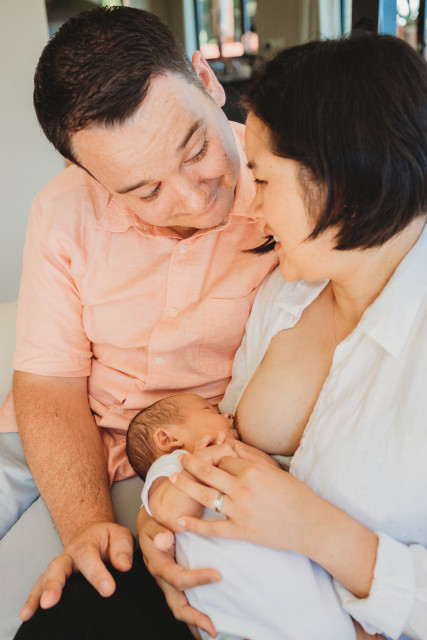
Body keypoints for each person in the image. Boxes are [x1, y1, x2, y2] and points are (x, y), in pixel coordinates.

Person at [14, 31, 427, 640]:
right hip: (207, 536)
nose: (245, 212)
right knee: (70, 613)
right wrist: (158, 520)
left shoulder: (317, 254)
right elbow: (56, 384)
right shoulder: (286, 291)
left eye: (260, 180)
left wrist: (321, 535)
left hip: (323, 598)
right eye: (148, 191)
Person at [0, 5, 277, 639]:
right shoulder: (63, 209)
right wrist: (85, 526)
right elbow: (48, 382)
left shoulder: (290, 181)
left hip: (187, 444)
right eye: (146, 191)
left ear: (207, 80)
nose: (192, 199)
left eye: (197, 149)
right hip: (60, 429)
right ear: (91, 176)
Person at [126, 392, 355, 640]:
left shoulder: (236, 452)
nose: (228, 415)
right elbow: (169, 511)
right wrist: (202, 463)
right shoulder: (173, 464)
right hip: (237, 616)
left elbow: (277, 480)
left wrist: (244, 453)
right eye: (210, 410)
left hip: (306, 598)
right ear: (167, 439)